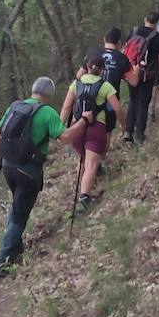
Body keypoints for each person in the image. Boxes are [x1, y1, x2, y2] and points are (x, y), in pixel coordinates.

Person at [0, 77, 65, 275]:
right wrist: (83, 122)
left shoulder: (15, 106)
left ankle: (15, 245)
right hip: (29, 170)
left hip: (8, 166)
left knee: (17, 205)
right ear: (49, 94)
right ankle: (2, 261)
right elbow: (64, 137)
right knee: (20, 215)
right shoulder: (47, 112)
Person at [59, 53, 122, 210]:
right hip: (97, 128)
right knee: (91, 163)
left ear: (87, 68)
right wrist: (124, 126)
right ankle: (84, 197)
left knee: (82, 161)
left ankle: (79, 193)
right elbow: (117, 108)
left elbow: (67, 107)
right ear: (102, 70)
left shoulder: (76, 84)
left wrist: (60, 128)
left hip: (78, 127)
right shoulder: (106, 86)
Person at [121, 11, 159, 144]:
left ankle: (128, 131)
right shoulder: (157, 37)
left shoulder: (134, 31)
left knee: (133, 100)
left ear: (145, 19)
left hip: (131, 72)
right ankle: (140, 133)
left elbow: (125, 50)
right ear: (157, 22)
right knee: (142, 103)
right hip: (147, 75)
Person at [97, 28, 132, 143]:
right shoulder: (122, 58)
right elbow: (133, 81)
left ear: (104, 39)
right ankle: (101, 157)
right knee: (107, 130)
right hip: (110, 101)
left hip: (91, 96)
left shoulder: (94, 54)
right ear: (119, 43)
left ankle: (88, 157)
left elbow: (79, 75)